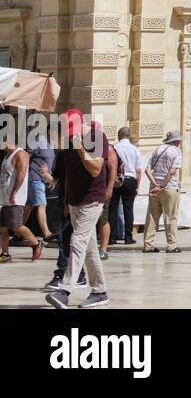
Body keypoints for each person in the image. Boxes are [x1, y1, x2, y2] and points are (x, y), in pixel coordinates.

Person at [45, 119, 114, 309]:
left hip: (92, 200)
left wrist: (80, 148)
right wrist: (52, 182)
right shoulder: (67, 145)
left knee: (77, 242)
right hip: (74, 202)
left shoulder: (97, 137)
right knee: (90, 250)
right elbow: (64, 177)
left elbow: (96, 169)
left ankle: (64, 291)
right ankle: (100, 292)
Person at [0, 134, 41, 262]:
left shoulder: (21, 154)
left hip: (15, 198)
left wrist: (14, 193)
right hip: (3, 197)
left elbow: (21, 175)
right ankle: (5, 254)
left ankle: (36, 243)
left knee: (16, 225)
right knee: (2, 227)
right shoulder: (7, 156)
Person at [142, 131, 183, 253]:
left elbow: (147, 170)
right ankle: (172, 245)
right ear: (176, 141)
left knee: (152, 217)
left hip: (154, 188)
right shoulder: (176, 152)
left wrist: (155, 184)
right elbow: (171, 172)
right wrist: (162, 185)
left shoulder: (157, 149)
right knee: (170, 217)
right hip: (169, 188)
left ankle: (148, 245)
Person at [106, 127, 141, 246]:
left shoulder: (114, 147)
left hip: (116, 180)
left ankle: (111, 236)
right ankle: (128, 237)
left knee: (112, 209)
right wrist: (137, 186)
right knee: (128, 209)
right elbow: (138, 170)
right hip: (130, 180)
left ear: (119, 135)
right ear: (129, 136)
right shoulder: (135, 149)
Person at [24, 132, 55, 245]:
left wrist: (51, 179)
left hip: (44, 179)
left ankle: (18, 232)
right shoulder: (39, 139)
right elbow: (26, 156)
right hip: (35, 177)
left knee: (28, 207)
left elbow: (48, 163)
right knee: (42, 205)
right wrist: (23, 174)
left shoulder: (52, 143)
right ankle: (46, 234)